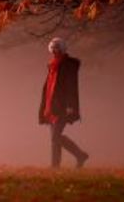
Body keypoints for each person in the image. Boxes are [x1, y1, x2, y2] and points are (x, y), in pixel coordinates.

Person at [38, 37, 89, 168]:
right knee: (54, 139)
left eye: (57, 49)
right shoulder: (52, 66)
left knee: (56, 137)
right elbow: (48, 87)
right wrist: (44, 107)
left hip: (62, 107)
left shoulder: (68, 65)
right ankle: (55, 165)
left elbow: (71, 87)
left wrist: (70, 106)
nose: (55, 51)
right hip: (51, 106)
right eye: (53, 49)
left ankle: (80, 155)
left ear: (62, 50)